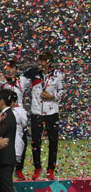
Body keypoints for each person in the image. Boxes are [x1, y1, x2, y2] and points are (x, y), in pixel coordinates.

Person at [22, 52, 64, 180]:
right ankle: (37, 167)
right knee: (35, 141)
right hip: (36, 113)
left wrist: (53, 97)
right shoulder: (33, 73)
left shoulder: (57, 75)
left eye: (43, 61)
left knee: (53, 141)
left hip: (52, 113)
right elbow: (21, 82)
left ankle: (50, 169)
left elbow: (62, 91)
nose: (40, 63)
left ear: (49, 62)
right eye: (39, 60)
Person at [0, 60, 30, 179]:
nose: (10, 70)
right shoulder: (1, 81)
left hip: (18, 113)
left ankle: (19, 168)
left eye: (12, 68)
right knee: (5, 139)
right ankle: (3, 166)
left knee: (23, 140)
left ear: (16, 69)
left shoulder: (22, 80)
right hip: (6, 113)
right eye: (7, 68)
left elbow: (34, 75)